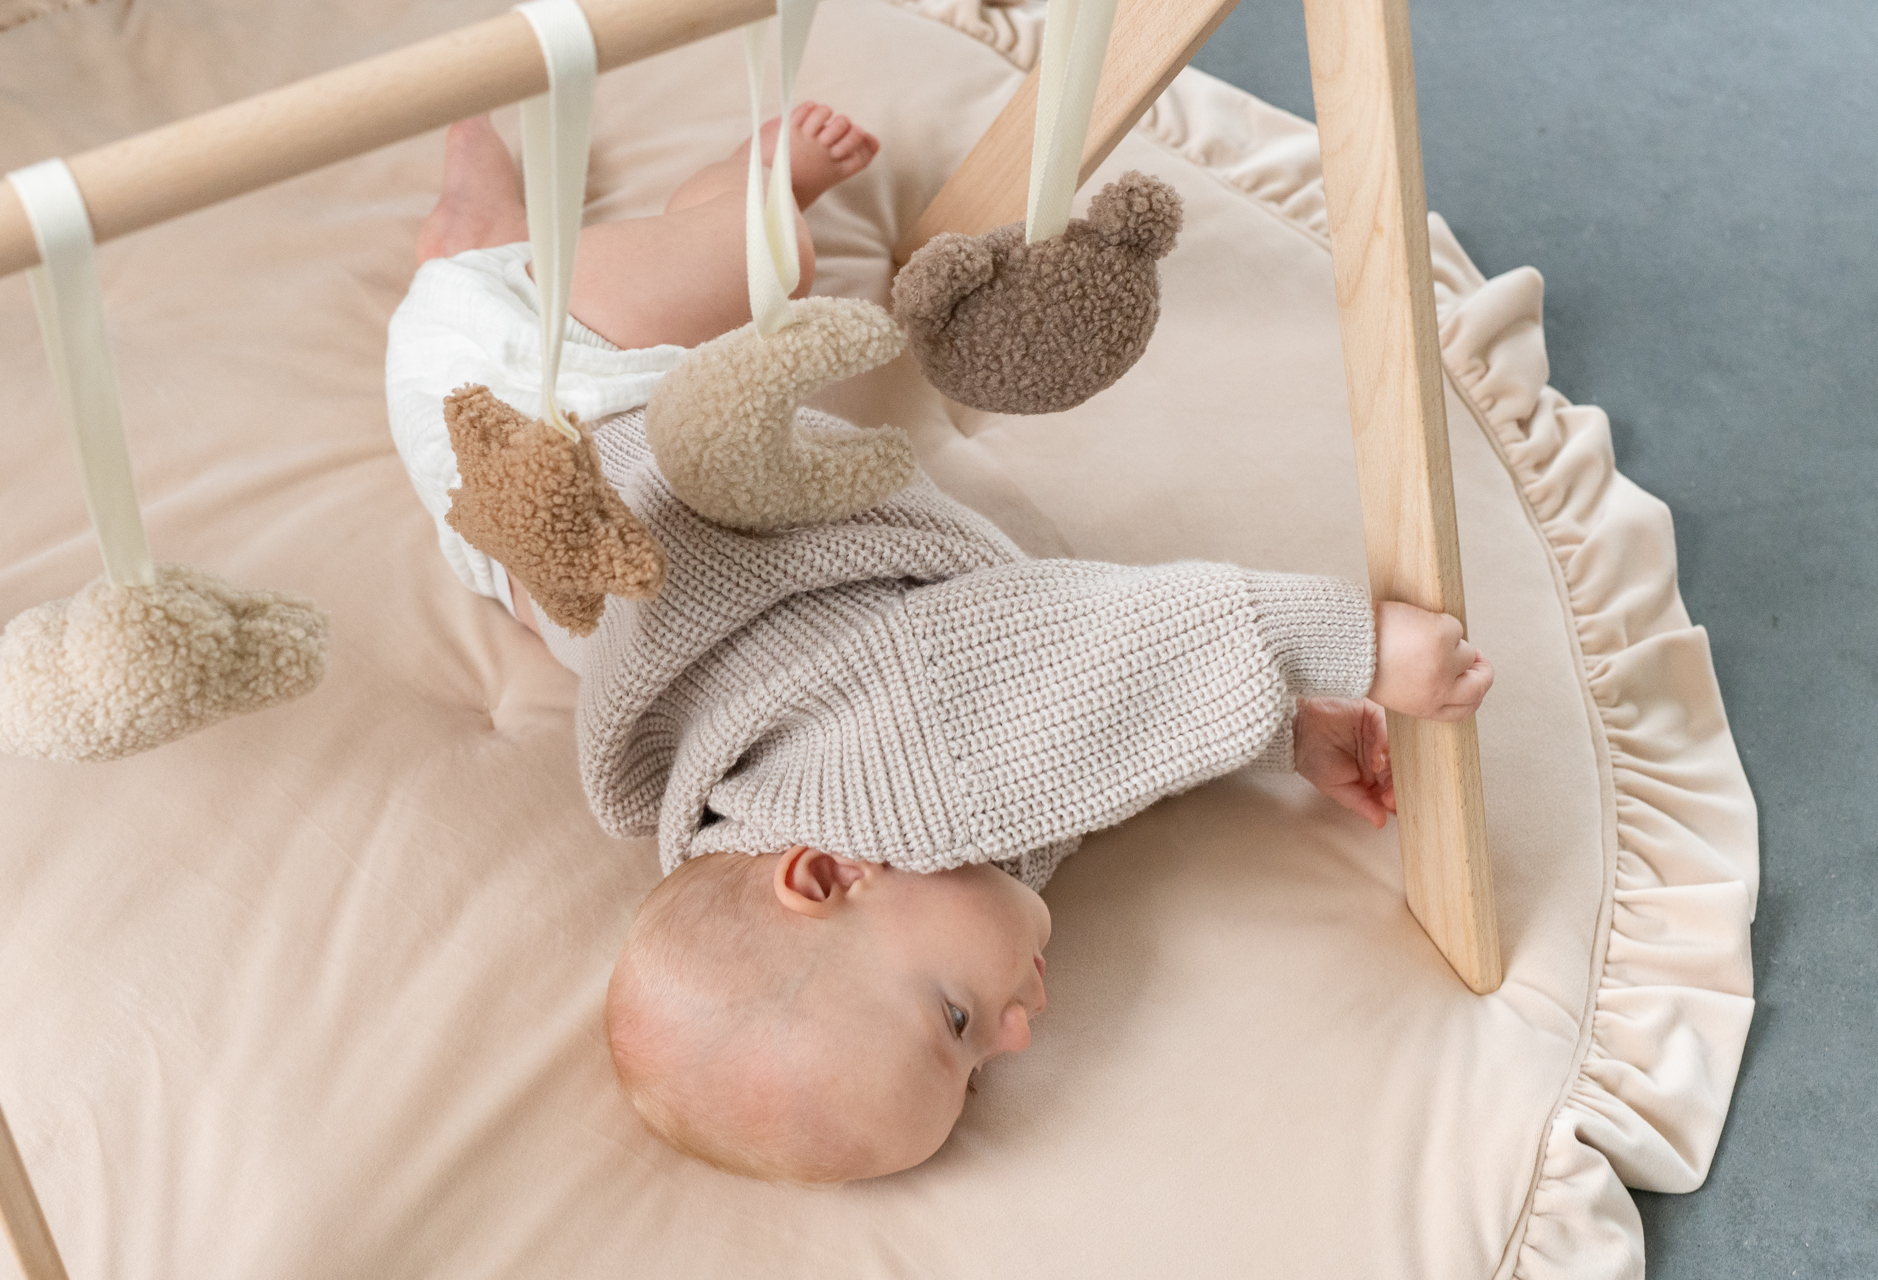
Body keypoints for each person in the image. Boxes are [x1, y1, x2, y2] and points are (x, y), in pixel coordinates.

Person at [386, 105, 1493, 1185]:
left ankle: (742, 178)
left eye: (955, 1021)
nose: (1016, 1033)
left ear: (824, 873)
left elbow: (1106, 649)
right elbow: (1097, 736)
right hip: (484, 505)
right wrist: (1279, 733)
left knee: (765, 250)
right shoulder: (789, 848)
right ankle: (468, 231)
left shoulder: (909, 774)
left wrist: (1352, 648)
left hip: (564, 382)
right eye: (976, 1071)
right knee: (477, 283)